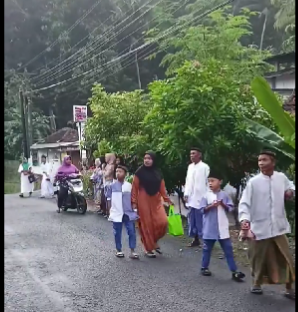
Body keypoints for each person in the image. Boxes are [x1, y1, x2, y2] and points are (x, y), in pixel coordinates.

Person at [238, 150, 295, 299]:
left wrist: (290, 192)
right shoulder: (253, 182)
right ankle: (256, 284)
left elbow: (291, 187)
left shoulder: (281, 178)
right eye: (259, 160)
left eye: (264, 160)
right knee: (258, 258)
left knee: (286, 258)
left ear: (273, 162)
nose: (261, 163)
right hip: (259, 228)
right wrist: (245, 220)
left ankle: (289, 289)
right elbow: (244, 203)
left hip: (278, 227)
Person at [199, 170, 245, 281]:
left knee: (228, 249)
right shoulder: (205, 196)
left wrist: (222, 204)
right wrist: (211, 206)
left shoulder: (224, 195)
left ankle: (234, 271)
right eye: (208, 181)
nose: (210, 183)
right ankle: (204, 267)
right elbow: (201, 210)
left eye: (213, 181)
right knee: (207, 249)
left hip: (222, 228)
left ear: (220, 182)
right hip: (209, 228)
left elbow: (230, 208)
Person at [131, 151, 173, 258]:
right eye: (145, 158)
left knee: (162, 222)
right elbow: (134, 188)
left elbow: (162, 188)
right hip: (143, 200)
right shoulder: (139, 172)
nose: (146, 160)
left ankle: (153, 241)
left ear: (153, 160)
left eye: (149, 158)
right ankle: (148, 248)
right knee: (147, 225)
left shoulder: (158, 172)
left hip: (156, 200)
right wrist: (134, 203)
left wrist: (167, 199)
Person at [106, 165, 139, 259]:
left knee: (131, 231)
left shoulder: (129, 186)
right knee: (117, 232)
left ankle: (132, 251)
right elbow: (108, 199)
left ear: (125, 174)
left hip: (128, 213)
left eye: (120, 171)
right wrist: (110, 211)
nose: (118, 173)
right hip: (116, 213)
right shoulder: (111, 186)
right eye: (116, 171)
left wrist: (135, 210)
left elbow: (133, 199)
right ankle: (118, 250)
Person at [184, 147, 210, 247]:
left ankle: (205, 241)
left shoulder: (204, 167)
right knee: (192, 220)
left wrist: (208, 197)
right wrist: (186, 194)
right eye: (190, 154)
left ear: (199, 155)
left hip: (201, 198)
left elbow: (208, 182)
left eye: (194, 153)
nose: (192, 156)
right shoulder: (190, 167)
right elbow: (188, 181)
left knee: (201, 220)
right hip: (191, 198)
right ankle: (195, 239)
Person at [103, 153, 116, 218]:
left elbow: (106, 174)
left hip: (110, 183)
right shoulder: (107, 165)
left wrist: (104, 172)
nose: (105, 159)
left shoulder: (111, 166)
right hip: (106, 182)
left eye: (106, 157)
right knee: (107, 198)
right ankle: (108, 212)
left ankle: (111, 213)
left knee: (109, 199)